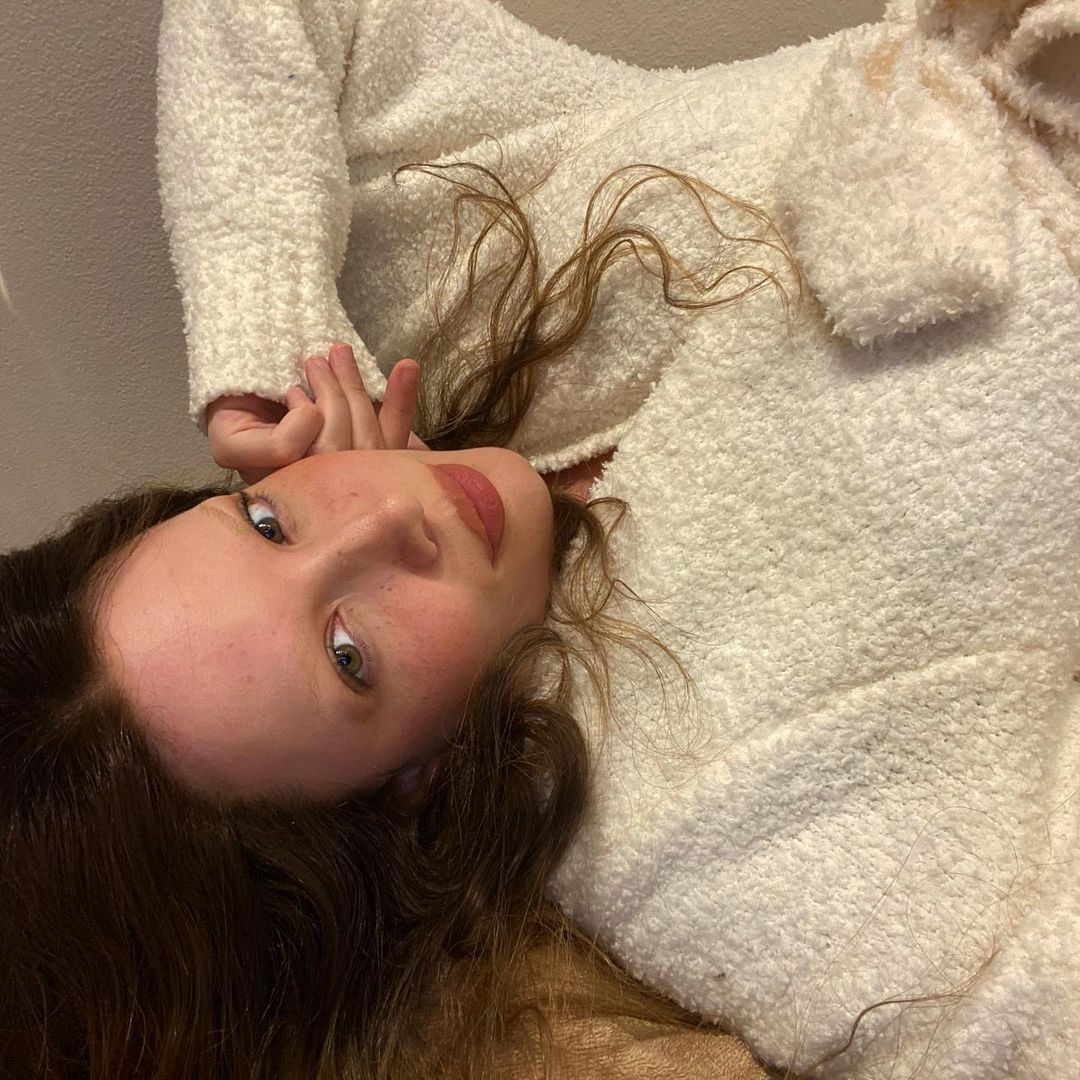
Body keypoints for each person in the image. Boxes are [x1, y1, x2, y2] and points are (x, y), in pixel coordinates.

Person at [6, 1, 1079, 1078]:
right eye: (348, 652)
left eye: (268, 523)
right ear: (410, 785)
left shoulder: (430, 264)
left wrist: (269, 338)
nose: (388, 517)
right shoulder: (692, 823)